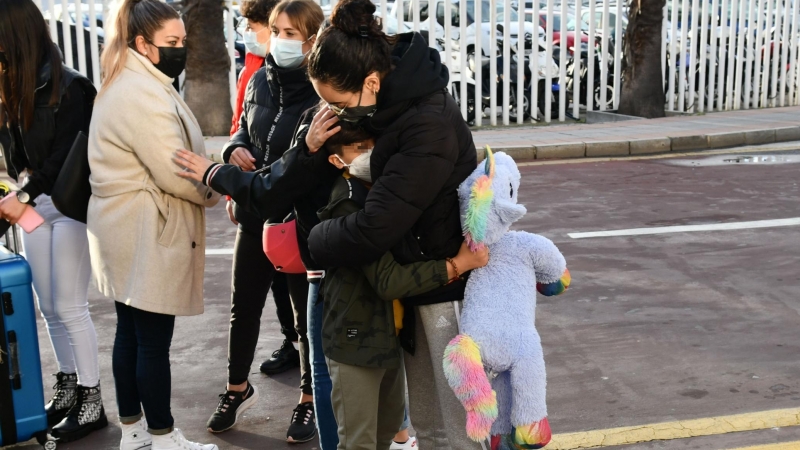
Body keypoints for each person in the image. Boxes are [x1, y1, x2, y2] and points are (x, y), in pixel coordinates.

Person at [304, 0, 480, 448]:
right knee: (430, 420)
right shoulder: (395, 107)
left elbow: (373, 229)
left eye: (339, 104)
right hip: (422, 278)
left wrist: (317, 238)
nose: (338, 116)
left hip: (445, 289)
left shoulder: (425, 124)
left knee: (450, 426)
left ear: (372, 81)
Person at [86, 0, 220, 449]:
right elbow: (176, 168)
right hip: (146, 228)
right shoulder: (141, 91)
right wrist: (214, 185)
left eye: (184, 40)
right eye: (173, 42)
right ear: (143, 43)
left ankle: (134, 431)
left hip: (124, 226)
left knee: (130, 333)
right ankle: (162, 437)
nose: (181, 49)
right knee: (151, 343)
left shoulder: (126, 80)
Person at [317, 126, 489, 450]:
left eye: (373, 145)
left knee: (385, 435)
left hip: (385, 336)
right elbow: (388, 280)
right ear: (336, 159)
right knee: (359, 443)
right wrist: (456, 265)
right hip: (356, 339)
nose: (371, 153)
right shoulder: (350, 203)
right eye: (359, 147)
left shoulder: (379, 193)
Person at [204, 0, 325, 442]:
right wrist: (230, 150)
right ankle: (237, 388)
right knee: (244, 307)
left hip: (298, 223)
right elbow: (241, 130)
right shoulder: (257, 78)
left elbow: (301, 166)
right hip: (255, 217)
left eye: (290, 32)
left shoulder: (320, 91)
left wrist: (227, 176)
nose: (279, 39)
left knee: (305, 317)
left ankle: (309, 400)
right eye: (276, 30)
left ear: (312, 39)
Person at [0, 0, 105, 443]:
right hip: (34, 207)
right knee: (47, 307)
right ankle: (67, 388)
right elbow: (18, 157)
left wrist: (23, 192)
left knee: (69, 306)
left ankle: (92, 399)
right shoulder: (13, 85)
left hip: (69, 206)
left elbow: (68, 158)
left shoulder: (72, 89)